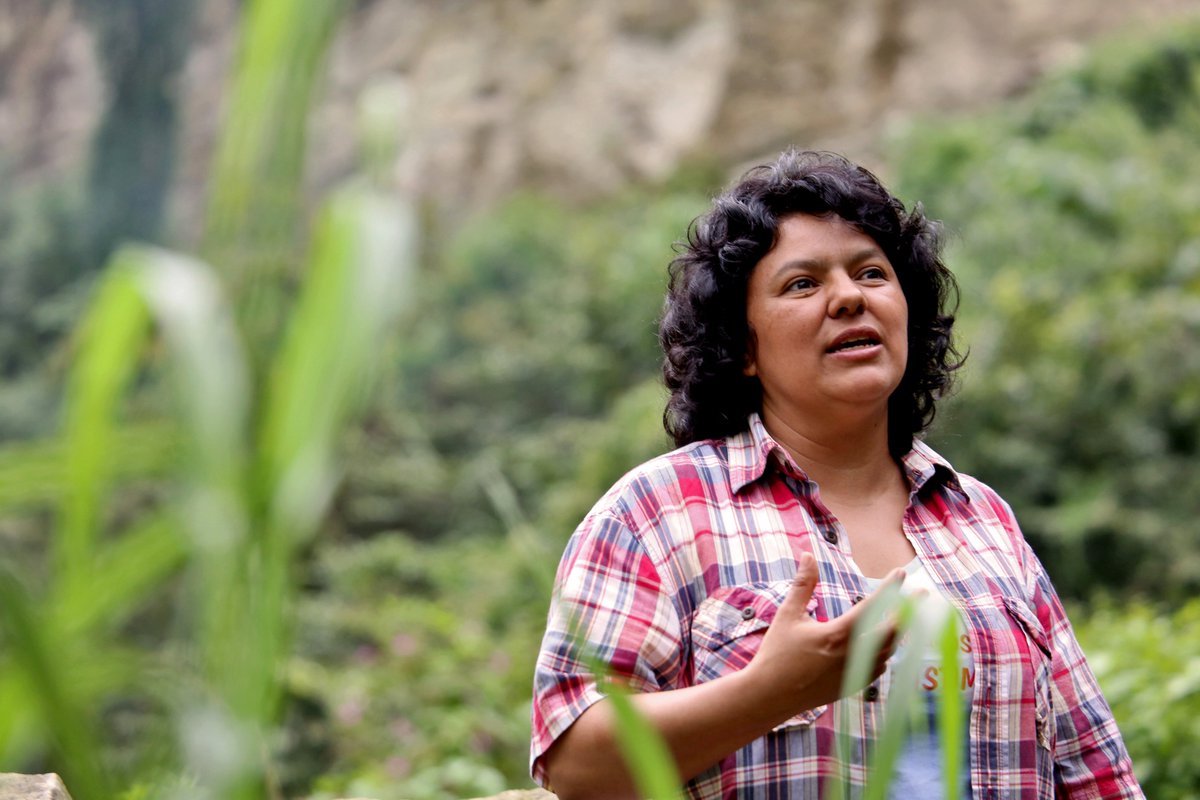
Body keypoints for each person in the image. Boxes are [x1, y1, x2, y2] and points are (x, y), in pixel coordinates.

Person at [529, 150, 1143, 799]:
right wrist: (768, 692)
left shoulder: (982, 519)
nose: (850, 297)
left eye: (871, 273)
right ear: (742, 347)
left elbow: (1094, 770)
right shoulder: (659, 513)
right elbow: (576, 764)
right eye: (802, 284)